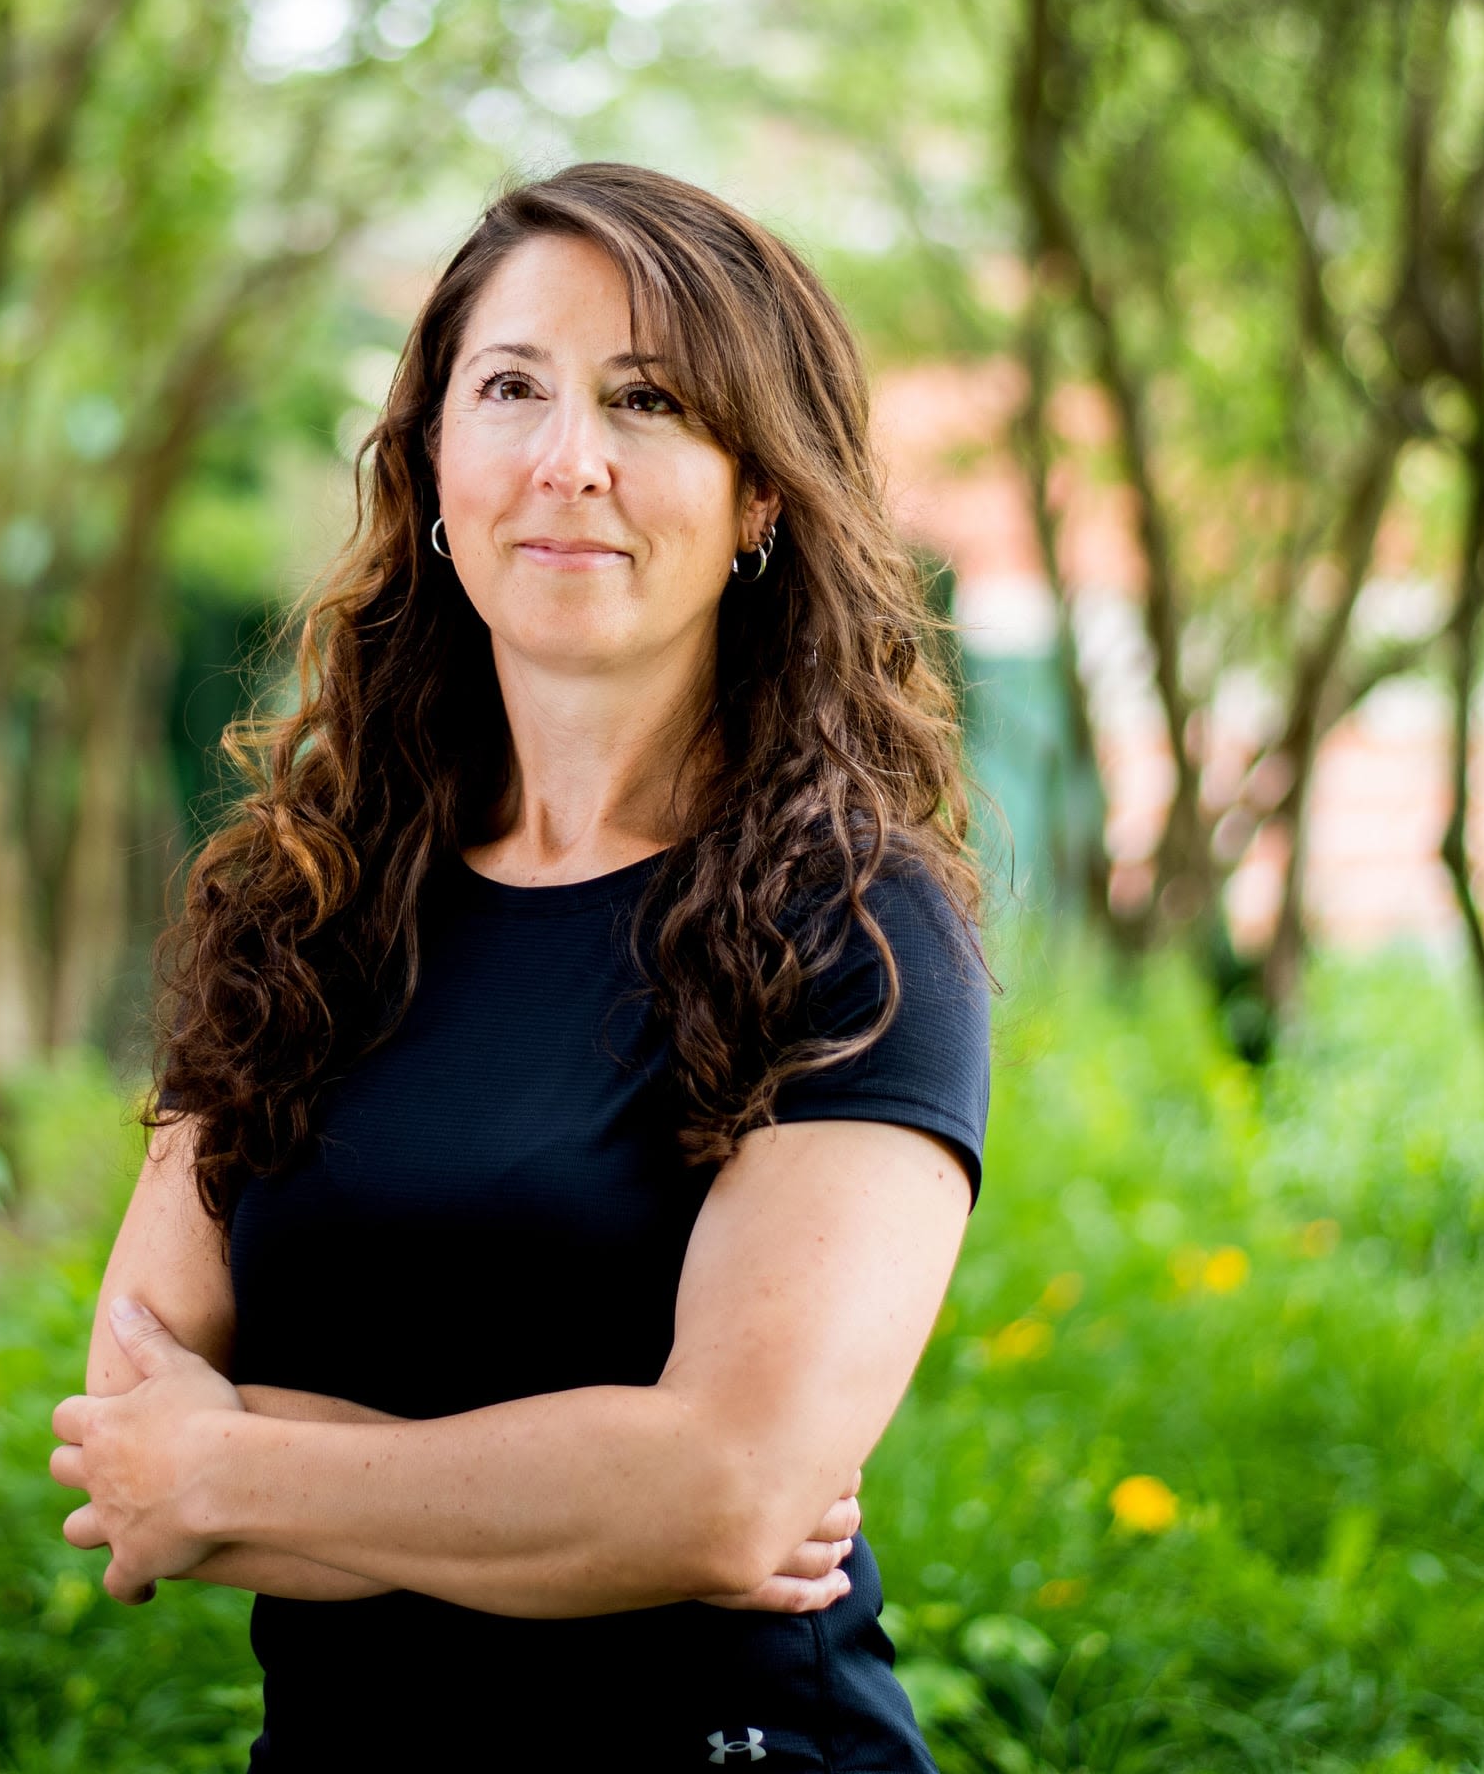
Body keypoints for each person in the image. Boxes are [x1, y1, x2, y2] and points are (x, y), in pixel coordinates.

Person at [51, 163, 993, 1772]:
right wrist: (606, 1495)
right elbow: (126, 1434)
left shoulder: (855, 926)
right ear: (433, 462)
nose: (569, 462)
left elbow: (730, 1493)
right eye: (510, 389)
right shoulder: (298, 903)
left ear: (760, 493)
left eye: (647, 402)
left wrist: (233, 1468)